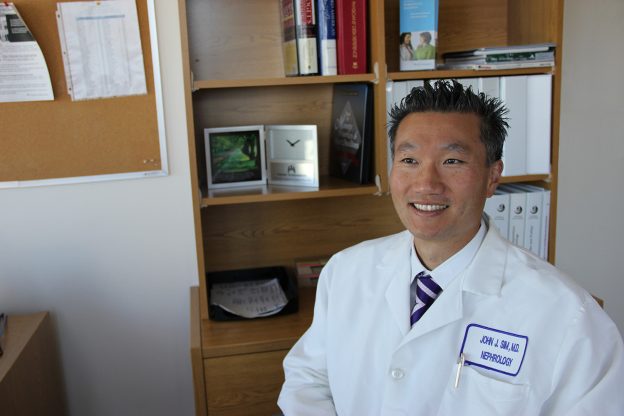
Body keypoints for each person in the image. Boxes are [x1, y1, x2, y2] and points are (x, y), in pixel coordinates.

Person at [278, 80, 624, 415]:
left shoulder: (566, 316)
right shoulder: (345, 271)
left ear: (492, 176)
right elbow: (308, 379)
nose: (426, 184)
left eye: (452, 161)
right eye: (409, 160)